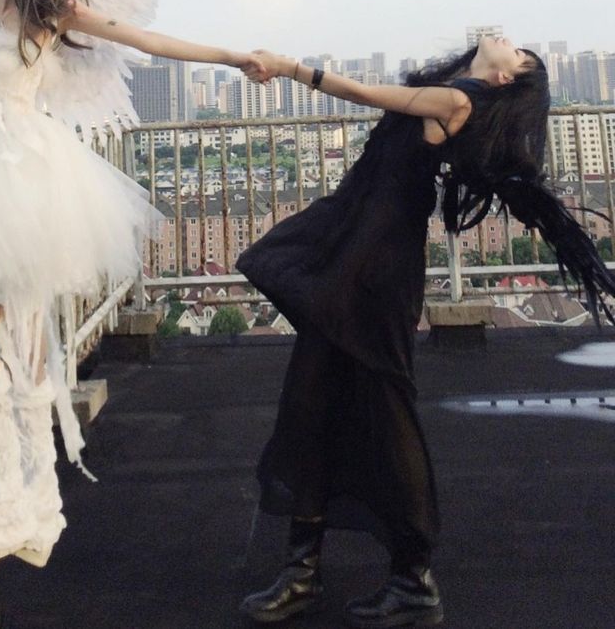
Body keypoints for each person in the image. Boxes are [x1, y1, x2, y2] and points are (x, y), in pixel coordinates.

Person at [0, 0, 266, 575]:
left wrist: (229, 56)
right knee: (7, 336)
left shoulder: (55, 14)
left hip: (31, 180)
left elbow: (143, 37)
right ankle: (23, 495)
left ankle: (8, 496)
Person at [235, 38, 615, 628]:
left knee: (385, 409)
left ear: (503, 80)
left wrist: (288, 67)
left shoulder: (456, 102)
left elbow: (358, 91)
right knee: (309, 403)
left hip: (374, 267)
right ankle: (304, 569)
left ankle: (411, 577)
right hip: (353, 250)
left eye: (518, 53)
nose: (505, 40)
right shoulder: (452, 90)